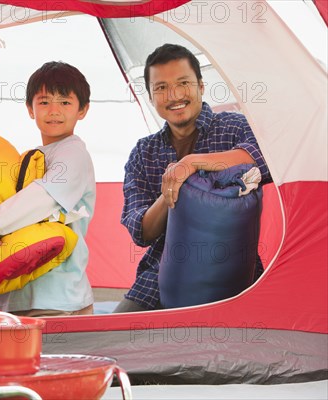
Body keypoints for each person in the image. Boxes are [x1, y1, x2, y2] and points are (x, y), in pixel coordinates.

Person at [114, 44, 272, 313]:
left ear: (200, 86)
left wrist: (191, 164)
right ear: (151, 97)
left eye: (183, 83)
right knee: (115, 338)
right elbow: (141, 231)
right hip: (160, 273)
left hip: (235, 271)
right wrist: (172, 190)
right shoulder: (143, 152)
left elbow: (266, 160)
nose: (173, 95)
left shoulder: (234, 126)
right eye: (161, 88)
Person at [0, 61, 96, 317]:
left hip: (58, 300)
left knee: (51, 358)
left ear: (83, 110)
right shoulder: (33, 158)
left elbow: (45, 196)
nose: (54, 111)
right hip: (22, 297)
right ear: (30, 109)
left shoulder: (73, 153)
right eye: (44, 101)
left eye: (65, 102)